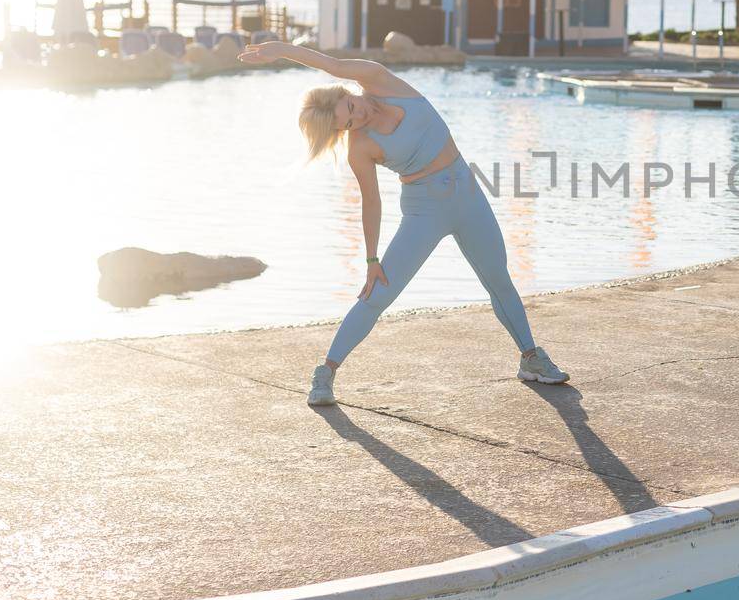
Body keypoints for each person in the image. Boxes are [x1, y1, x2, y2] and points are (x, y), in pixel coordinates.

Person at [237, 40, 569, 404]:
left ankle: (531, 359)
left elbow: (329, 62)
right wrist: (370, 259)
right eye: (347, 123)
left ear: (346, 91)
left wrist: (282, 50)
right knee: (378, 294)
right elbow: (371, 202)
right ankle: (325, 373)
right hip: (424, 209)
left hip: (467, 195)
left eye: (351, 107)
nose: (357, 118)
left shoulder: (380, 81)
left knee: (499, 279)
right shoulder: (359, 147)